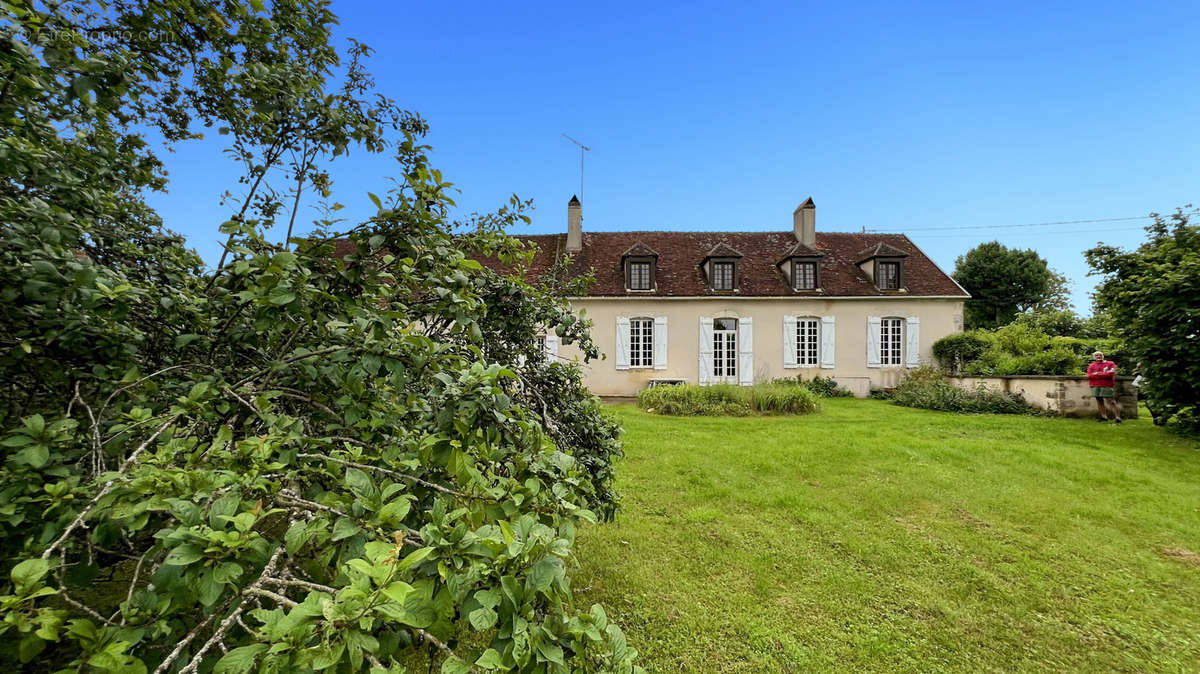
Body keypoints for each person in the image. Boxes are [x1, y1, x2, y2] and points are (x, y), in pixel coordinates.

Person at [1086, 351, 1121, 423]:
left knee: (1111, 401)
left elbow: (1110, 374)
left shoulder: (1110, 364)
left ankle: (1117, 417)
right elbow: (1089, 376)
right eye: (1096, 356)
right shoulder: (1091, 365)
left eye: (1100, 355)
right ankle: (1104, 417)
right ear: (1094, 357)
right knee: (1099, 401)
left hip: (1107, 385)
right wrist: (1103, 374)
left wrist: (1097, 374)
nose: (1098, 356)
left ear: (1103, 356)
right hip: (1095, 385)